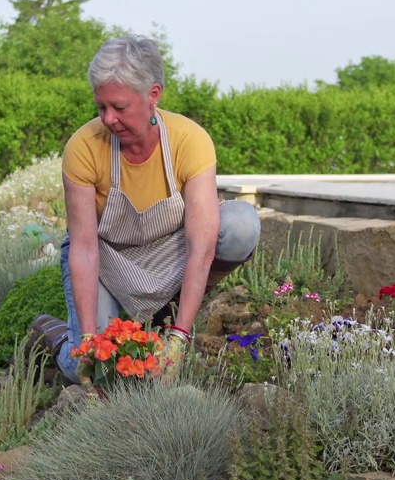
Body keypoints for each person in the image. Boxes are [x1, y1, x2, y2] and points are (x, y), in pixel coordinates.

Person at [27, 36, 260, 383]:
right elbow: (85, 249)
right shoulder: (83, 148)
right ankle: (58, 335)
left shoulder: (189, 140)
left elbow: (202, 246)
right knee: (95, 369)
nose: (108, 118)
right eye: (101, 106)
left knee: (241, 225)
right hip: (108, 259)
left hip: (168, 253)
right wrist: (91, 341)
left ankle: (166, 318)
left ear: (153, 95)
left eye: (119, 107)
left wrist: (179, 338)